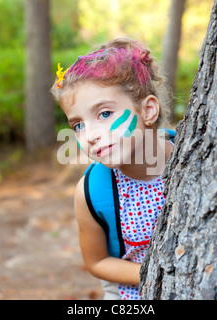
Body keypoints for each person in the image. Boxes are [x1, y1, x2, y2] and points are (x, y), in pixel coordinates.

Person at [50, 38, 174, 300]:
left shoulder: (193, 157)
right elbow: (97, 262)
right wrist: (158, 276)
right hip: (131, 293)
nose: (90, 135)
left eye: (105, 114)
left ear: (148, 110)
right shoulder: (91, 191)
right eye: (78, 125)